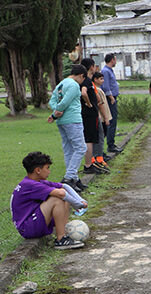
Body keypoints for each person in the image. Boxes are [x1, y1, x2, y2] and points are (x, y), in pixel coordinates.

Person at [11, 151, 87, 249]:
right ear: (38, 170)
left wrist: (81, 200)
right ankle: (61, 239)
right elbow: (61, 194)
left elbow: (64, 186)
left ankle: (63, 232)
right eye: (47, 168)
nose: (49, 171)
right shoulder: (30, 185)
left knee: (62, 194)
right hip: (27, 228)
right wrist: (78, 204)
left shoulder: (36, 181)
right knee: (57, 199)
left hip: (32, 223)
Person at [48, 64, 88, 194]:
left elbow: (52, 101)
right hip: (73, 120)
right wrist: (57, 112)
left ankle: (75, 180)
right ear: (81, 76)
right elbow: (65, 102)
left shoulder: (61, 84)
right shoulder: (73, 85)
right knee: (81, 148)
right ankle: (68, 178)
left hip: (62, 121)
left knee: (69, 149)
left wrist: (56, 111)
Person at [79, 72, 107, 175]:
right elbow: (84, 93)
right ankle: (90, 163)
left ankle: (94, 161)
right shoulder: (86, 81)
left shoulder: (82, 82)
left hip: (87, 114)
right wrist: (89, 104)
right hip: (90, 114)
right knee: (90, 139)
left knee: (92, 138)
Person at [100, 53, 121, 156]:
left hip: (112, 98)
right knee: (111, 121)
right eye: (115, 60)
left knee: (113, 120)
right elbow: (106, 86)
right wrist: (111, 98)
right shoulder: (105, 71)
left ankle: (111, 143)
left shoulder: (109, 71)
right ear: (112, 60)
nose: (116, 62)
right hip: (109, 99)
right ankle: (110, 145)